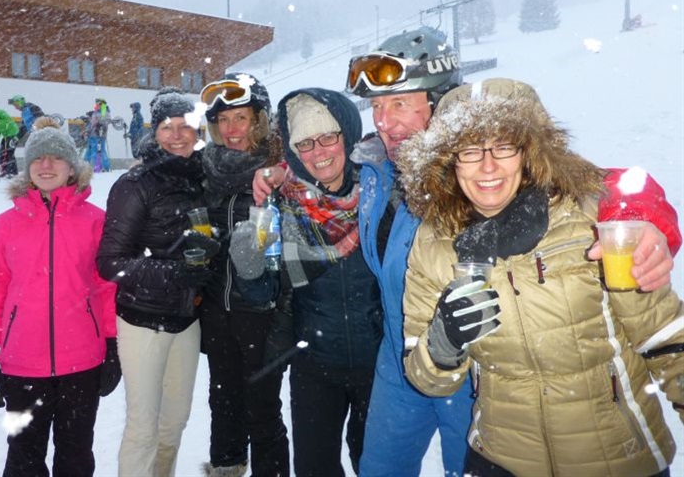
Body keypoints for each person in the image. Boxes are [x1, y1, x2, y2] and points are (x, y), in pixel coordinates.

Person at [255, 26, 681, 477]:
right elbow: (319, 171)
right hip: (402, 358)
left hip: (479, 365)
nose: (383, 121)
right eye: (377, 107)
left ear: (439, 104)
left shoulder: (486, 175)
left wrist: (643, 216)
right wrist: (277, 172)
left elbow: (591, 186)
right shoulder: (374, 167)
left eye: (400, 104)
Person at [397, 77, 683, 476]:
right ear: (448, 160)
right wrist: (444, 342)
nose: (488, 165)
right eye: (469, 150)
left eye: (504, 146)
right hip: (500, 461)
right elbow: (428, 380)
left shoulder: (594, 221)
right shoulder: (434, 243)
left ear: (530, 152)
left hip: (619, 459)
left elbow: (669, 343)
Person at [234, 88, 382, 476]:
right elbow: (263, 293)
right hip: (315, 367)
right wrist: (248, 267)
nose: (318, 152)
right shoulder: (281, 204)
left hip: (379, 366)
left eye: (328, 137)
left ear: (347, 135)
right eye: (305, 143)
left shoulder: (382, 192)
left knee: (377, 467)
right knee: (315, 469)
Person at [0, 117, 120, 477]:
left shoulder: (95, 221)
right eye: (38, 158)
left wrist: (113, 345)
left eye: (56, 157)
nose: (46, 165)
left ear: (72, 168)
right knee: (23, 456)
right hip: (21, 363)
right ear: (28, 167)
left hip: (82, 363)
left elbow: (108, 287)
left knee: (75, 454)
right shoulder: (6, 225)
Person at [96, 88, 214, 477]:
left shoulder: (202, 178)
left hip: (186, 320)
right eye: (167, 127)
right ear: (154, 131)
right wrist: (174, 273)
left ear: (197, 131)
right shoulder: (135, 184)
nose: (176, 135)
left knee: (174, 424)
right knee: (143, 426)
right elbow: (110, 262)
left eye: (185, 126)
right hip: (143, 320)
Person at [198, 73, 289, 477]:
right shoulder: (206, 168)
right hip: (218, 309)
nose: (231, 129)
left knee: (263, 411)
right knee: (223, 405)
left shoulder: (282, 170)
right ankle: (226, 469)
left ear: (260, 121)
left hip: (263, 313)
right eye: (223, 120)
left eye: (241, 118)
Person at [84, 98, 111, 172]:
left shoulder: (103, 111)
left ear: (101, 103)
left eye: (97, 103)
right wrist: (88, 131)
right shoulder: (99, 112)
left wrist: (98, 125)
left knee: (96, 151)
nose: (96, 104)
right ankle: (100, 167)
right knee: (99, 151)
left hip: (97, 134)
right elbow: (93, 123)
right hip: (96, 134)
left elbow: (102, 122)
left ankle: (97, 167)